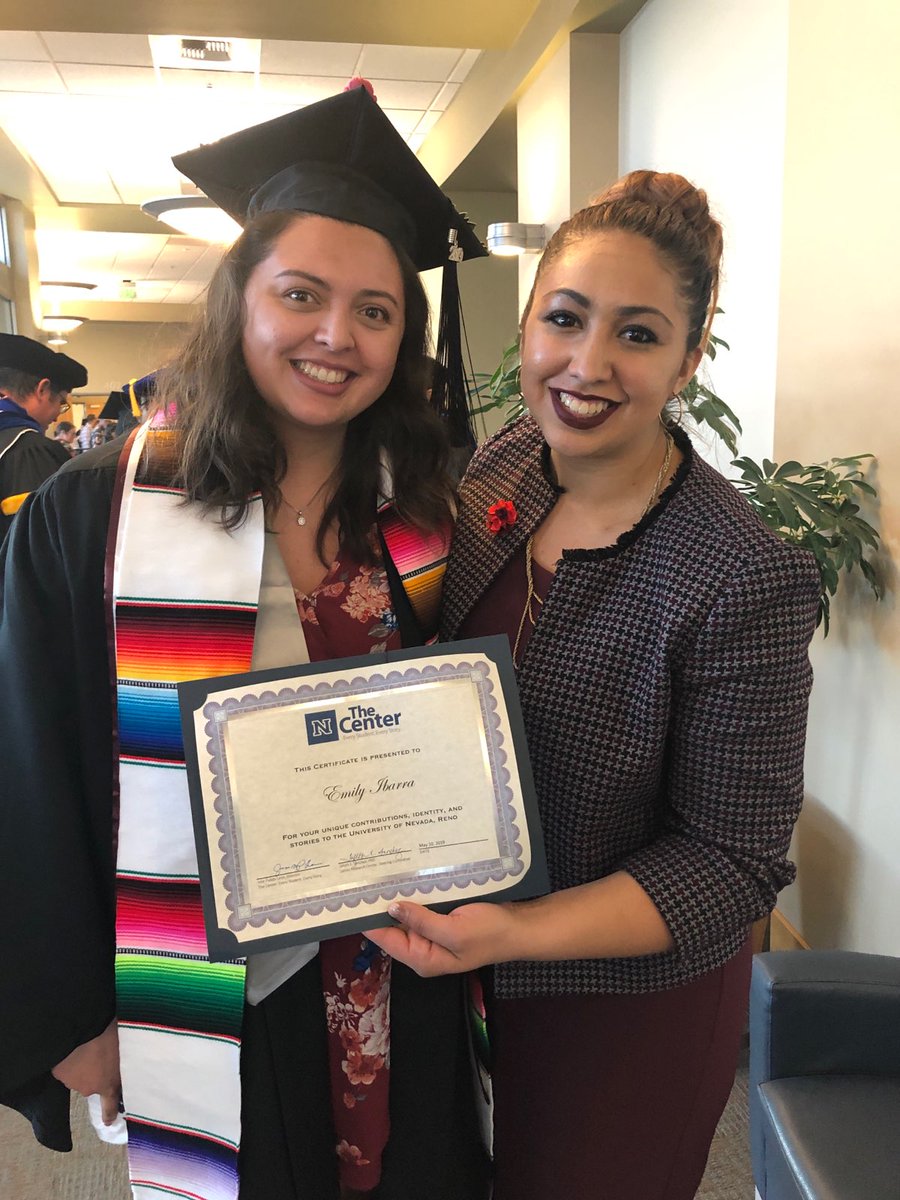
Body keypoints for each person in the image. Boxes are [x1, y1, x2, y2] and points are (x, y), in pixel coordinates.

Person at [0, 84, 489, 1200]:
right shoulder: (99, 516)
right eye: (302, 295)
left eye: (376, 309)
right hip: (217, 987)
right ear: (239, 302)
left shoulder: (423, 519)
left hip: (401, 978)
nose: (338, 335)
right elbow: (27, 776)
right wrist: (74, 1022)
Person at [368, 171, 821, 1200]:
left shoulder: (742, 572)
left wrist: (518, 932)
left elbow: (730, 863)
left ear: (691, 358)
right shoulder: (505, 468)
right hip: (460, 970)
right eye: (564, 319)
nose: (588, 364)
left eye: (640, 334)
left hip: (615, 1012)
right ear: (526, 324)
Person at [0, 333, 86, 539]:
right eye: (61, 402)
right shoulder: (29, 450)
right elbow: (44, 545)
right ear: (43, 389)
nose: (58, 414)